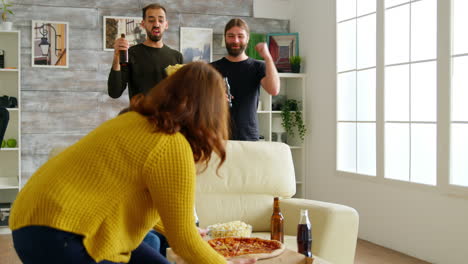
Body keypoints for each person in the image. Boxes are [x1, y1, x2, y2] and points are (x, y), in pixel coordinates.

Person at [9, 62, 256, 264]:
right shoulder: (170, 143)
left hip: (30, 222)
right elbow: (184, 241)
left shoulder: (134, 120)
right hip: (60, 233)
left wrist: (184, 234)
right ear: (210, 108)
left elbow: (151, 207)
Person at [211, 18, 280, 141]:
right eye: (231, 36)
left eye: (240, 36)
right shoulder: (211, 68)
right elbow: (200, 103)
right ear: (225, 38)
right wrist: (214, 97)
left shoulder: (258, 66)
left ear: (247, 38)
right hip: (217, 136)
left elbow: (274, 89)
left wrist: (267, 57)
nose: (235, 40)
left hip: (248, 136)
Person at [108, 3, 183, 100]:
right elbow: (114, 92)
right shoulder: (131, 53)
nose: (156, 24)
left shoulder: (177, 56)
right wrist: (116, 56)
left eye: (160, 20)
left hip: (168, 115)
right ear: (143, 24)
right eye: (151, 20)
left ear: (166, 24)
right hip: (139, 114)